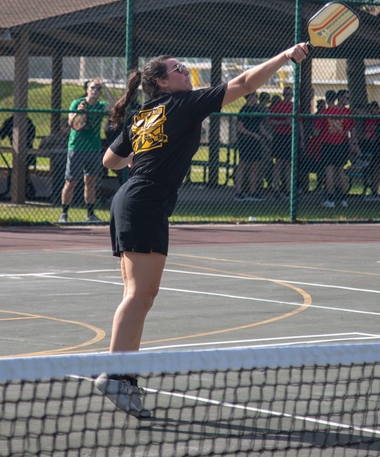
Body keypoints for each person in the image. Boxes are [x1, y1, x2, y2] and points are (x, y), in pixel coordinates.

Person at [94, 43, 309, 417]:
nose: (186, 72)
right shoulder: (183, 103)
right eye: (178, 69)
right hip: (144, 202)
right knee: (139, 295)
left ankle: (124, 377)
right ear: (162, 82)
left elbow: (110, 160)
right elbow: (242, 83)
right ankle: (115, 374)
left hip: (133, 198)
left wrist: (140, 159)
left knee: (139, 295)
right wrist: (284, 57)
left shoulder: (145, 113)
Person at [60, 79, 110, 224]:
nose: (96, 90)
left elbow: (114, 106)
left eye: (98, 88)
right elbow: (71, 123)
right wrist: (79, 112)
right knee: (71, 181)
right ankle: (64, 214)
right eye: (93, 88)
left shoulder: (100, 106)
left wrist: (106, 87)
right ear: (87, 89)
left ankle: (90, 215)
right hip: (76, 148)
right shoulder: (77, 103)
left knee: (90, 181)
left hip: (93, 149)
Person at [314, 89, 358, 208]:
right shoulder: (343, 114)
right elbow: (347, 130)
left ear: (327, 100)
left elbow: (316, 132)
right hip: (341, 144)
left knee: (329, 171)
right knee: (340, 171)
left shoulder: (324, 113)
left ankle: (330, 198)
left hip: (328, 144)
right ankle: (344, 199)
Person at [233, 91, 267, 201]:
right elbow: (240, 128)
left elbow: (260, 126)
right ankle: (239, 192)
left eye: (255, 97)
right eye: (253, 96)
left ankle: (253, 192)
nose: (255, 99)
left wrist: (267, 136)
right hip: (246, 141)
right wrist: (253, 135)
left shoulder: (257, 110)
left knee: (255, 166)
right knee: (243, 164)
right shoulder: (243, 110)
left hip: (256, 142)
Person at [268, 86, 297, 199]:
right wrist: (283, 122)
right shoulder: (277, 106)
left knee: (288, 164)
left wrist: (301, 138)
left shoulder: (294, 107)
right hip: (280, 136)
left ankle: (288, 190)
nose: (289, 97)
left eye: (291, 95)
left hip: (290, 136)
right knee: (279, 163)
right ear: (284, 95)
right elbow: (270, 121)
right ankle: (276, 189)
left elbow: (298, 123)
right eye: (287, 94)